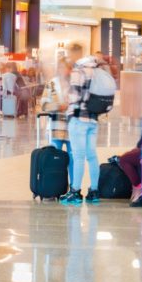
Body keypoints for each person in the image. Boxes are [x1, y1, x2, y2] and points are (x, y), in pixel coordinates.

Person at [59, 44, 104, 206]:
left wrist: (68, 101)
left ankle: (75, 191)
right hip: (93, 119)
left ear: (75, 53)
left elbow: (75, 96)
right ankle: (94, 191)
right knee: (92, 155)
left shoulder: (79, 69)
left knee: (78, 156)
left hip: (79, 119)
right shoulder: (96, 70)